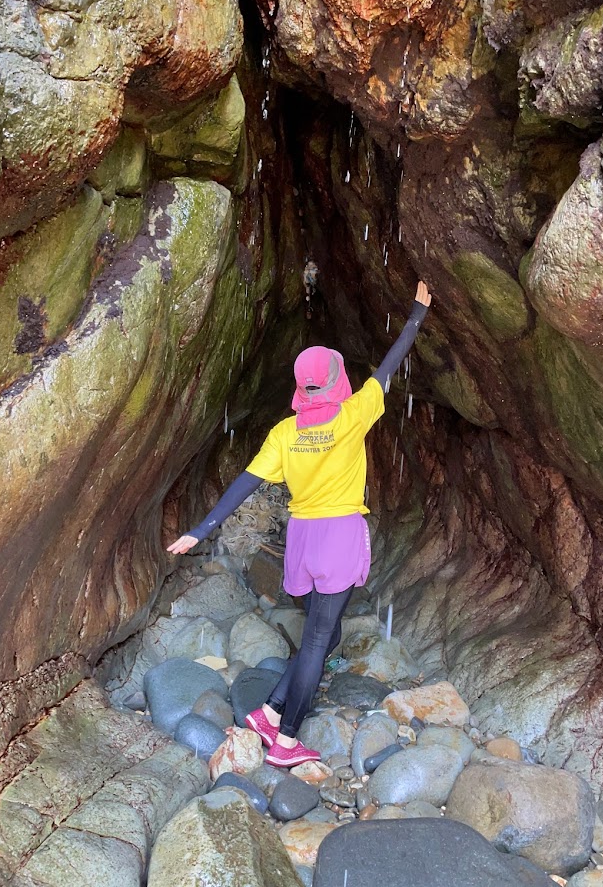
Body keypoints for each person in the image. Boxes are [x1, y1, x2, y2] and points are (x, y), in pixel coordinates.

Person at [168, 281, 432, 767]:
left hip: (302, 541)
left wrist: (202, 529)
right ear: (336, 381)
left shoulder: (285, 433)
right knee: (317, 640)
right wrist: (416, 315)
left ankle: (269, 712)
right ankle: (287, 743)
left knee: (324, 636)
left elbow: (245, 483)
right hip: (337, 539)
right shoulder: (352, 416)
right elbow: (388, 366)